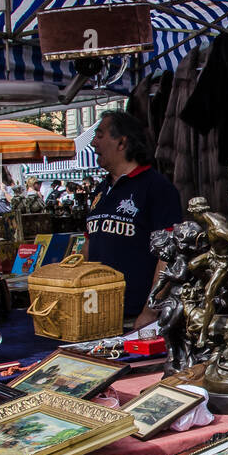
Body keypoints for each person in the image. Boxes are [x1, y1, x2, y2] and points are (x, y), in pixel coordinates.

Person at [86, 108, 183, 329]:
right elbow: (89, 244)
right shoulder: (101, 190)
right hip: (97, 314)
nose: (93, 143)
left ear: (122, 143)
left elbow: (169, 255)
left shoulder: (156, 187)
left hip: (136, 317)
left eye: (100, 135)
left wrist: (150, 311)